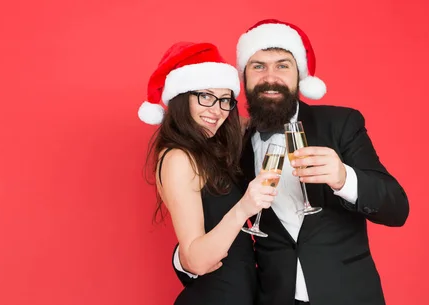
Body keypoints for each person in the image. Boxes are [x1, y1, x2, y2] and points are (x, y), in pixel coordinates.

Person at [172, 19, 410, 305]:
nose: (270, 77)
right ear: (243, 78)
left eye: (282, 65)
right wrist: (185, 261)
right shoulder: (236, 144)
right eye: (258, 66)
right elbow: (213, 215)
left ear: (299, 75)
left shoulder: (341, 123)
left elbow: (397, 209)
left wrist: (344, 178)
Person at [139, 41, 280, 305]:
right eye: (205, 96)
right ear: (182, 98)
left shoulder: (210, 150)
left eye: (225, 100)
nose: (216, 111)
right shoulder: (179, 158)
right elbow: (196, 261)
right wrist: (244, 208)